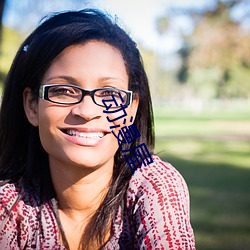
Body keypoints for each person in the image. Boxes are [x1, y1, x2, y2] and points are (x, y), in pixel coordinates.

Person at [0, 9, 195, 250]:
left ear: (131, 109)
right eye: (64, 90)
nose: (87, 110)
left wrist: (136, 152)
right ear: (32, 106)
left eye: (109, 94)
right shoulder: (9, 206)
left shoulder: (155, 184)